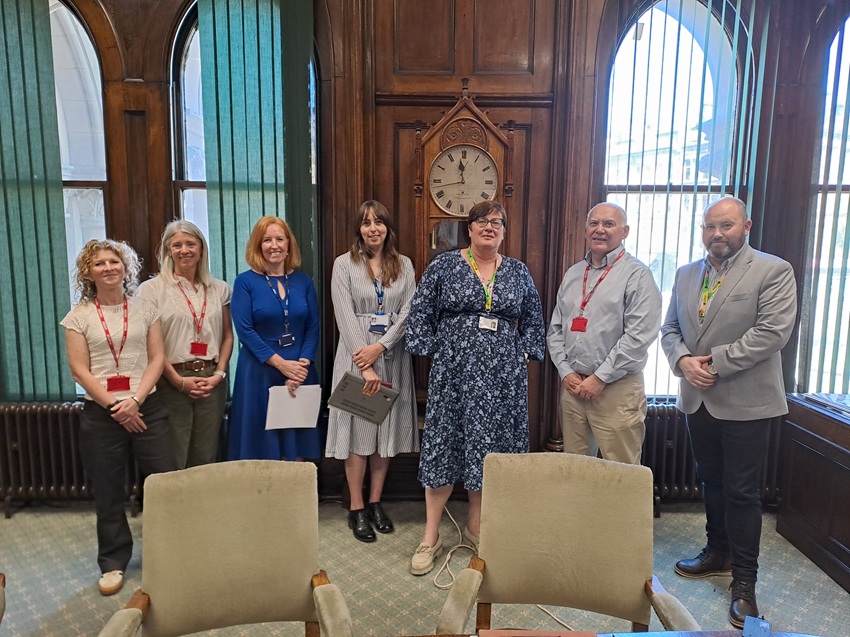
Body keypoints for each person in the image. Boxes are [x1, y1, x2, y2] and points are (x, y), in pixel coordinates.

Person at [660, 196, 797, 628]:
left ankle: (745, 583)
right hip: (697, 399)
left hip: (746, 402)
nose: (717, 234)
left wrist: (712, 364)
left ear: (746, 226)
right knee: (710, 481)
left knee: (742, 492)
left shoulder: (773, 271)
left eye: (726, 225)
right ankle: (716, 551)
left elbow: (771, 333)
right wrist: (683, 362)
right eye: (709, 227)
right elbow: (670, 330)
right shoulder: (685, 275)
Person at [405, 200, 545, 576]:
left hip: (502, 379)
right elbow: (419, 313)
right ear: (469, 228)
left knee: (490, 447)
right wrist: (436, 350)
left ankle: (477, 525)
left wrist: (523, 353)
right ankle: (431, 535)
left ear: (504, 230)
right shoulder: (445, 266)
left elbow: (533, 317)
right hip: (453, 375)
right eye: (481, 221)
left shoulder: (517, 271)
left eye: (497, 222)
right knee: (444, 444)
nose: (489, 227)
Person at [60, 239, 176, 597]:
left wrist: (135, 401)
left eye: (115, 261)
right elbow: (79, 370)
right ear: (88, 273)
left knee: (163, 484)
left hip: (147, 407)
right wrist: (116, 406)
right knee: (108, 490)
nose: (109, 268)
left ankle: (168, 558)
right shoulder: (78, 316)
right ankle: (112, 562)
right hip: (101, 413)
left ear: (125, 268)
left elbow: (158, 358)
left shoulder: (145, 308)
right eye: (99, 264)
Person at [326, 201, 419, 542]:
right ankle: (356, 507)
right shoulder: (344, 265)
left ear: (388, 227)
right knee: (358, 436)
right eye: (366, 223)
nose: (373, 228)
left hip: (392, 356)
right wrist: (364, 363)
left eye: (379, 222)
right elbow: (344, 314)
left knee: (385, 436)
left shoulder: (404, 265)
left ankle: (377, 501)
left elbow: (410, 311)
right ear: (359, 230)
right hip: (355, 357)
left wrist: (382, 347)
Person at [546, 202, 661, 464]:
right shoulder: (574, 274)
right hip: (573, 389)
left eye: (609, 224)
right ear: (586, 229)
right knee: (576, 471)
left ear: (625, 231)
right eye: (594, 223)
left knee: (622, 473)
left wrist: (600, 378)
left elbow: (638, 337)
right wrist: (566, 372)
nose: (600, 230)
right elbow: (555, 330)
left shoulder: (638, 276)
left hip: (616, 389)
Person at [138, 221, 233, 469]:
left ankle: (200, 507)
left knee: (206, 455)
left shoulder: (219, 288)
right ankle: (174, 508)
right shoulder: (151, 290)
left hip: (211, 379)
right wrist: (178, 381)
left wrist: (219, 374)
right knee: (174, 454)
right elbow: (151, 345)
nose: (185, 250)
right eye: (177, 245)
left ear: (201, 248)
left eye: (191, 244)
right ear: (168, 250)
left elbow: (227, 336)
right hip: (170, 379)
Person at [228, 216, 321, 461]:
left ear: (289, 245)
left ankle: (296, 496)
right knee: (262, 444)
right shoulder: (245, 282)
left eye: (280, 239)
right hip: (260, 373)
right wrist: (282, 365)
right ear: (258, 246)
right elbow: (245, 331)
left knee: (297, 439)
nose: (274, 245)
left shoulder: (303, 281)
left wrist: (301, 365)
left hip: (301, 371)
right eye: (267, 240)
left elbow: (313, 326)